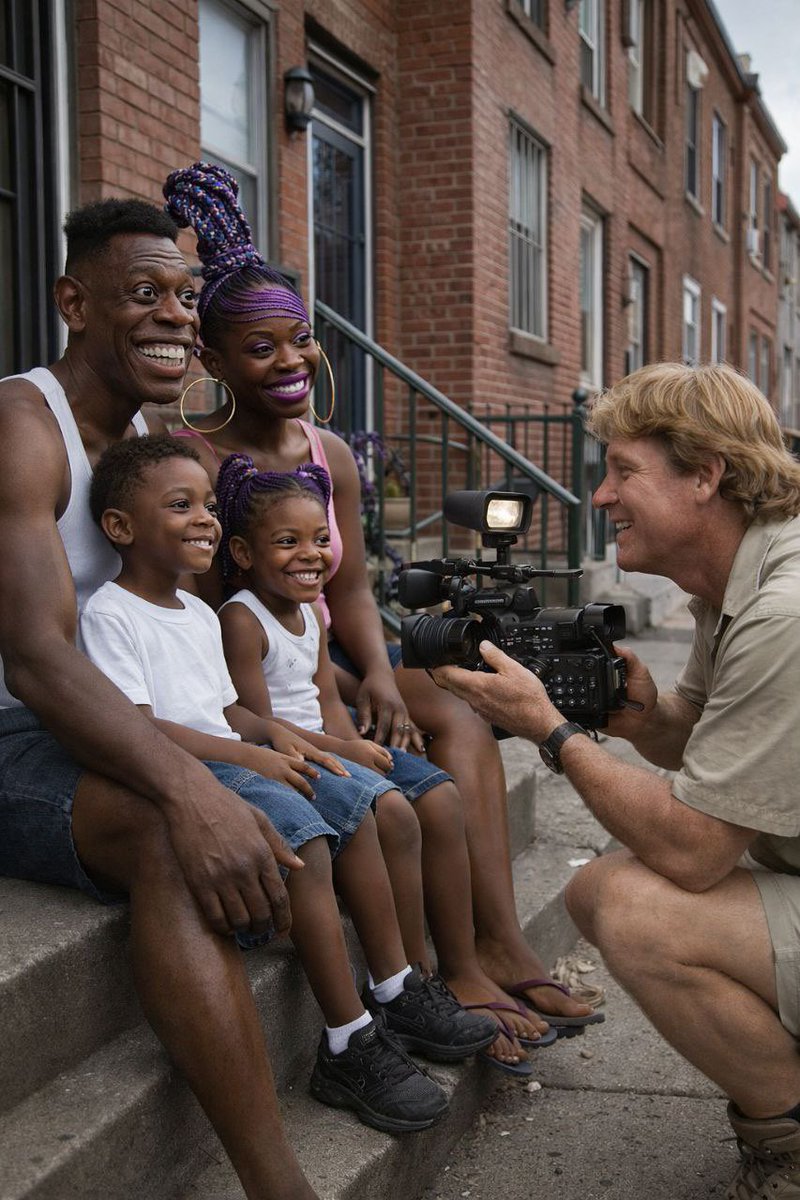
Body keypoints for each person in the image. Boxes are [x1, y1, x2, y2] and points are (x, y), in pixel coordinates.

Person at [161, 161, 597, 1053]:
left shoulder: (331, 455)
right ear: (211, 361)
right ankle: (444, 971)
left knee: (455, 706)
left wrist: (381, 682)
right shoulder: (189, 459)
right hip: (256, 672)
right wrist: (319, 706)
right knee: (408, 742)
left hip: (327, 654)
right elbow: (206, 617)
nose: (290, 362)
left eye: (302, 340)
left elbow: (351, 585)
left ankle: (495, 946)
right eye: (260, 348)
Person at [0, 197, 317, 1200]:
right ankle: (280, 1187)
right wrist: (190, 788)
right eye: (143, 294)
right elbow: (39, 664)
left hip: (104, 714)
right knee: (171, 833)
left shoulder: (140, 431)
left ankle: (369, 1019)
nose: (175, 316)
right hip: (15, 731)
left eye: (184, 296)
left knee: (319, 780)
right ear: (74, 302)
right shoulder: (22, 427)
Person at [432, 361, 800, 1199]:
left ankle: (791, 1144)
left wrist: (552, 731)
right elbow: (704, 736)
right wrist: (639, 718)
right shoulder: (738, 577)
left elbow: (697, 851)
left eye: (623, 471)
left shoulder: (784, 611)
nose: (599, 497)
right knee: (607, 893)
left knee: (627, 903)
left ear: (706, 475)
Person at [81, 432, 499, 1130]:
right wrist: (256, 754)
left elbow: (230, 708)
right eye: (182, 505)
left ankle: (396, 985)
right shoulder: (110, 614)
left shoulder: (193, 611)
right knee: (307, 835)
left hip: (235, 751)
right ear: (120, 527)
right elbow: (142, 728)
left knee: (366, 810)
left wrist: (277, 735)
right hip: (190, 771)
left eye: (209, 504)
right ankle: (346, 1038)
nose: (206, 519)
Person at [213, 452, 547, 1073]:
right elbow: (258, 725)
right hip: (286, 756)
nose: (309, 554)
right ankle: (406, 980)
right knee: (392, 812)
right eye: (286, 542)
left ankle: (459, 969)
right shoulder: (241, 621)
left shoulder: (312, 612)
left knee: (439, 797)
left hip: (327, 742)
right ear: (242, 553)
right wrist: (349, 758)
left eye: (318, 539)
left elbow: (322, 697)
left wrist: (369, 746)